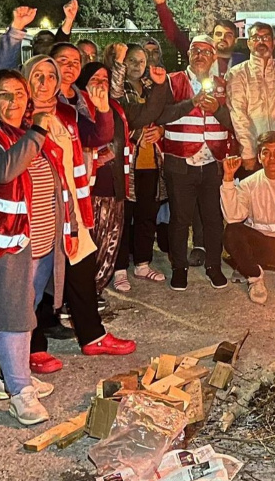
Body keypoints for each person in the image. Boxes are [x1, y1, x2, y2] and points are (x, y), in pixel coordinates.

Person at [0, 70, 75, 426]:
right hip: (4, 247)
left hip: (37, 243)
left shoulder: (23, 132)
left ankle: (8, 376)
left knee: (26, 314)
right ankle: (20, 392)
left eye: (19, 95)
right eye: (4, 95)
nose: (14, 102)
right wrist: (39, 129)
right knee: (13, 318)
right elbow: (5, 169)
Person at [23, 55, 135, 362]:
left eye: (51, 76)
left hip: (73, 208)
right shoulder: (19, 113)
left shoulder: (66, 112)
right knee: (32, 282)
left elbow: (98, 136)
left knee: (81, 272)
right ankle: (30, 347)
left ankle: (93, 336)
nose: (46, 82)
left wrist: (102, 110)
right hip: (40, 213)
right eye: (38, 76)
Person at [76, 61, 169, 295]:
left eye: (105, 79)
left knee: (109, 240)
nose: (100, 83)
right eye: (94, 79)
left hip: (113, 187)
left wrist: (158, 87)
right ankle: (80, 297)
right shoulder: (74, 107)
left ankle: (93, 291)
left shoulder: (117, 108)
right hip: (84, 191)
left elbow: (148, 112)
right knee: (86, 246)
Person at [157, 35, 236, 291]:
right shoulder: (172, 81)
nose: (200, 55)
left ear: (214, 57)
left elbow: (232, 122)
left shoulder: (222, 84)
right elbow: (162, 114)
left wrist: (217, 110)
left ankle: (213, 265)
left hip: (212, 161)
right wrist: (191, 103)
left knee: (213, 218)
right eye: (195, 50)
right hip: (180, 161)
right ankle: (179, 268)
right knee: (180, 219)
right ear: (189, 54)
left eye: (206, 51)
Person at [108, 44, 170, 291]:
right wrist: (135, 134)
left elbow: (163, 113)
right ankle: (119, 268)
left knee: (147, 215)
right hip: (126, 164)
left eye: (141, 61)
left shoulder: (150, 85)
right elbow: (115, 116)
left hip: (151, 163)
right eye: (131, 60)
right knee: (124, 217)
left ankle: (143, 263)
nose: (136, 65)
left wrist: (161, 130)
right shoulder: (117, 88)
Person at [220, 131, 275, 304]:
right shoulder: (249, 184)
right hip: (262, 246)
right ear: (259, 157)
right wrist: (228, 178)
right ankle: (255, 276)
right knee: (232, 232)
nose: (272, 158)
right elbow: (233, 217)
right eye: (266, 152)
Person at [227, 22, 275, 170]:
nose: (261, 41)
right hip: (257, 151)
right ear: (248, 43)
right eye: (255, 38)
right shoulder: (238, 73)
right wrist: (248, 152)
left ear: (273, 42)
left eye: (266, 37)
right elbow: (238, 115)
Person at [152, 0, 247, 74]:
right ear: (212, 37)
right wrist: (161, 5)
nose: (222, 38)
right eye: (218, 34)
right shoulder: (200, 56)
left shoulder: (244, 62)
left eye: (228, 35)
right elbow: (175, 35)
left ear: (235, 40)